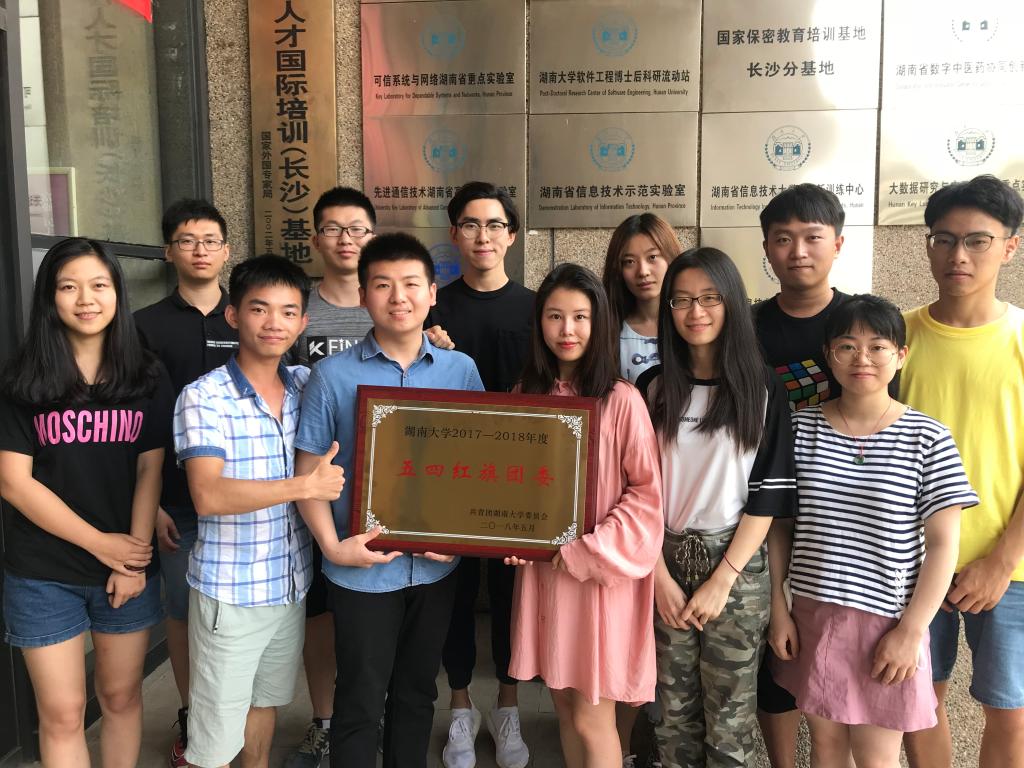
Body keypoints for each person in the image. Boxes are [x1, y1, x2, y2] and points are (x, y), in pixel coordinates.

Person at [293, 232, 484, 768]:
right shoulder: (332, 376)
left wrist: (458, 538)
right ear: (362, 296)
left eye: (411, 284)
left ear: (432, 293)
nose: (398, 297)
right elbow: (308, 474)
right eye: (382, 285)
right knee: (359, 697)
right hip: (360, 568)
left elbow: (478, 468)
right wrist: (332, 548)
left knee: (417, 693)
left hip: (436, 567)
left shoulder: (461, 371)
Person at [771, 294, 977, 767]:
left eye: (877, 346)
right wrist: (779, 611)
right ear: (829, 355)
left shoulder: (928, 437)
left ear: (900, 355)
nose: (861, 358)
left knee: (877, 756)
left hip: (888, 622)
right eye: (847, 346)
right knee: (825, 747)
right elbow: (780, 528)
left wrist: (911, 631)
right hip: (813, 616)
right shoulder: (800, 430)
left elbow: (943, 546)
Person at [0, 238, 173, 767]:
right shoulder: (22, 381)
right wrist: (103, 545)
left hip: (126, 566)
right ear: (49, 297)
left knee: (120, 697)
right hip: (43, 570)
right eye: (68, 287)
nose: (85, 299)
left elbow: (150, 468)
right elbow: (14, 483)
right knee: (63, 713)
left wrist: (131, 559)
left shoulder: (147, 375)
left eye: (99, 285)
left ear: (117, 292)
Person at [173, 255, 344, 768]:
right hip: (231, 594)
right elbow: (209, 495)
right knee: (213, 739)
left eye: (288, 312)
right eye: (259, 309)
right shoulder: (204, 397)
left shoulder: (305, 384)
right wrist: (303, 485)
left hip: (289, 587)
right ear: (233, 315)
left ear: (303, 322)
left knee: (264, 707)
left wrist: (434, 342)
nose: (274, 323)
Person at [637, 247, 797, 768]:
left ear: (731, 302)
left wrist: (723, 579)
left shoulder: (763, 387)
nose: (695, 312)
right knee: (671, 713)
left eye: (709, 298)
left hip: (735, 562)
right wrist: (657, 576)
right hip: (662, 558)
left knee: (730, 717)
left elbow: (767, 497)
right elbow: (637, 490)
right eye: (681, 300)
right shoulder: (652, 386)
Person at [506, 263, 664, 768]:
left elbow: (646, 497)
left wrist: (585, 551)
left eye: (580, 316)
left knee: (594, 718)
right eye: (555, 316)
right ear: (539, 323)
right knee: (566, 712)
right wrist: (507, 535)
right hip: (546, 576)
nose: (567, 330)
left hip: (599, 579)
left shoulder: (621, 400)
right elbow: (508, 483)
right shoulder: (524, 395)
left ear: (599, 324)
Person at [900, 175, 1024, 768]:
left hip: (1012, 566)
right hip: (910, 563)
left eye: (978, 240)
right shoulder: (895, 338)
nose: (959, 255)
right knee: (919, 704)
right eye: (944, 239)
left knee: (1012, 714)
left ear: (1010, 247)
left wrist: (1002, 561)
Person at [429, 181, 534, 768]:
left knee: (514, 596)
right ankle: (461, 707)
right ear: (454, 234)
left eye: (495, 225)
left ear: (512, 236)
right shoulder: (432, 307)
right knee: (457, 594)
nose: (483, 236)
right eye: (470, 224)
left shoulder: (536, 308)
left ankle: (509, 706)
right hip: (451, 477)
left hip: (520, 479)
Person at [134, 198, 237, 768]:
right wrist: (149, 505)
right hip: (175, 502)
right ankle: (192, 712)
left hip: (246, 497)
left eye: (210, 240)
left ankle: (235, 717)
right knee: (183, 612)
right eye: (187, 240)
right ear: (169, 251)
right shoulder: (143, 325)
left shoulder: (245, 315)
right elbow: (134, 420)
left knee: (239, 613)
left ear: (226, 250)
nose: (200, 250)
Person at [752, 183, 852, 768]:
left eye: (812, 237)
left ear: (837, 243)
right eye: (783, 239)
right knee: (776, 656)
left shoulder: (861, 320)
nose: (798, 251)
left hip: (841, 517)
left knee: (833, 654)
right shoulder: (748, 325)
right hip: (765, 512)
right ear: (766, 248)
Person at [602, 212, 682, 384]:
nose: (643, 271)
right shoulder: (607, 330)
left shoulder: (690, 323)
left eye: (652, 257)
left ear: (670, 258)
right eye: (630, 261)